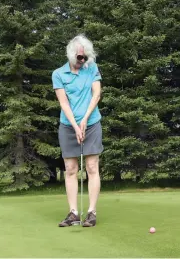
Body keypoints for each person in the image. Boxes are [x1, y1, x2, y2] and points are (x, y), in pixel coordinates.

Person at [52, 35, 103, 227]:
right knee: (71, 169)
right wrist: (75, 125)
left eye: (85, 57)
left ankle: (91, 212)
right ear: (71, 55)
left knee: (91, 167)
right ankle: (73, 213)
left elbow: (96, 94)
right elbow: (63, 103)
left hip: (92, 124)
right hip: (68, 126)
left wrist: (85, 120)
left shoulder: (92, 68)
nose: (83, 61)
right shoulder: (58, 74)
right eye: (80, 57)